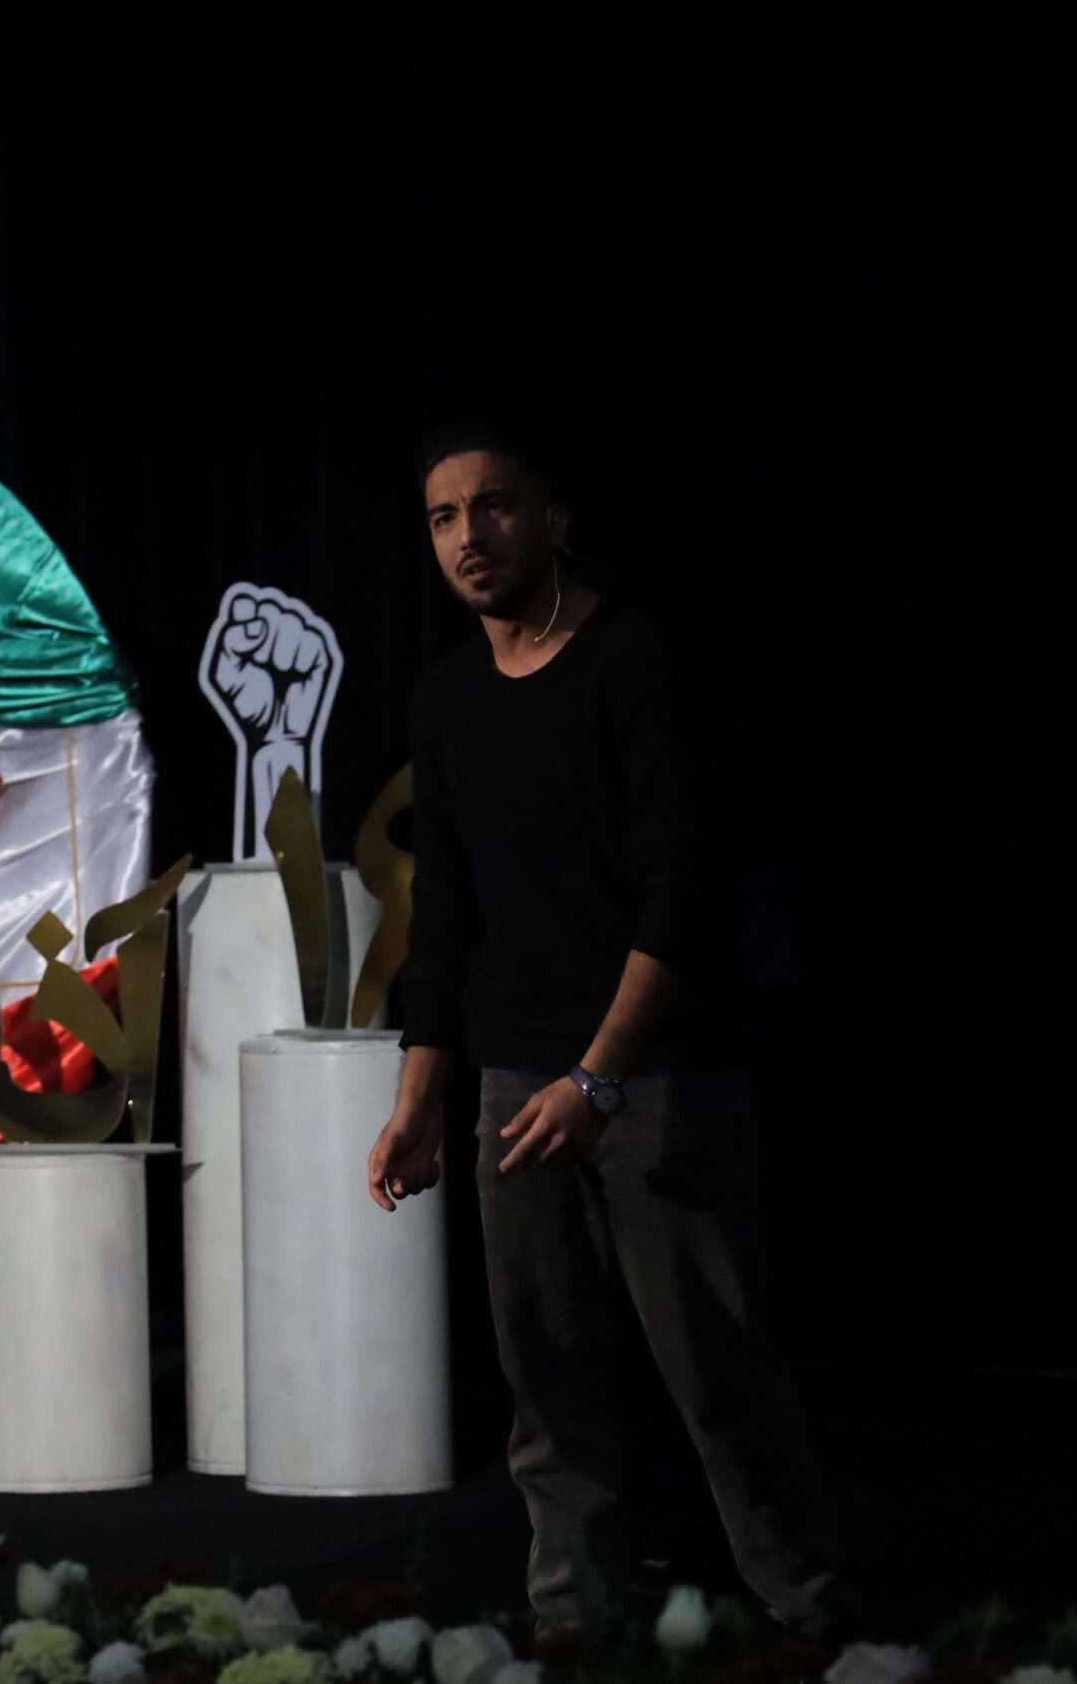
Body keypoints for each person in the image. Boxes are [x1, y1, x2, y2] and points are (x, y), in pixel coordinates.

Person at [364, 421, 845, 1646]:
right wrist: (419, 1103)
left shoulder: (634, 660)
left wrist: (600, 1076)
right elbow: (444, 915)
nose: (468, 536)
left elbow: (681, 886)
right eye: (442, 517)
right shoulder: (445, 698)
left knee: (713, 1365)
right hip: (512, 1078)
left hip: (655, 1073)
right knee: (546, 1374)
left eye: (493, 505)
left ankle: (806, 1613)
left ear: (553, 519)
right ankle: (575, 1619)